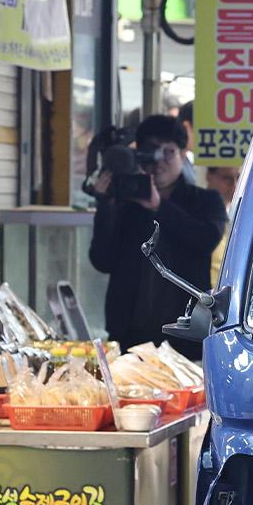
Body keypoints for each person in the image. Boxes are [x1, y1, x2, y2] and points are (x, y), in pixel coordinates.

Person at [88, 112, 227, 358]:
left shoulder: (205, 201)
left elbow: (205, 240)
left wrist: (158, 206)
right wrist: (105, 205)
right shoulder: (124, 204)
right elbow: (102, 260)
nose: (159, 161)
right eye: (151, 151)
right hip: (129, 336)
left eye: (169, 152)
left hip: (186, 337)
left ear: (184, 154)